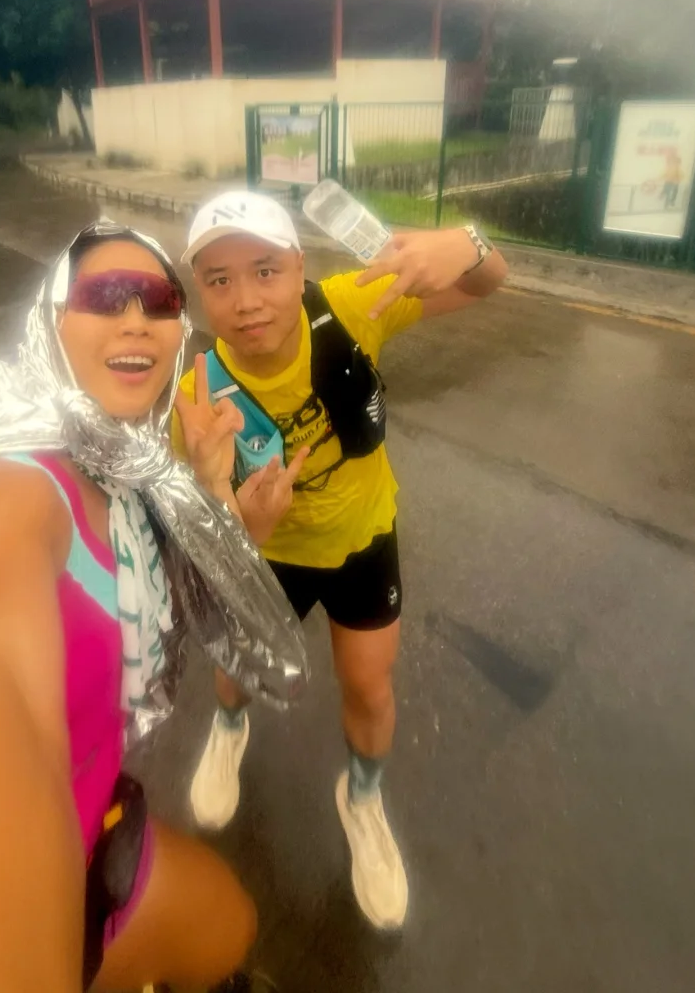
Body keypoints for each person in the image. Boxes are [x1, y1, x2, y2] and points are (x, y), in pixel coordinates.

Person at [0, 224, 282, 993]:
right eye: (105, 297)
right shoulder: (9, 497)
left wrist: (218, 496)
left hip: (89, 813)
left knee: (230, 925)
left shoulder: (125, 471)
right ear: (53, 326)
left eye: (159, 300)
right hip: (35, 876)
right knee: (224, 933)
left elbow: (171, 599)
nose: (136, 318)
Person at [173, 191, 508, 931]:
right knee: (239, 662)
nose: (246, 300)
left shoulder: (353, 306)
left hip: (362, 540)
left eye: (265, 271)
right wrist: (242, 522)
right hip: (268, 555)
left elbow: (486, 284)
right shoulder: (196, 395)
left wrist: (468, 245)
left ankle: (361, 798)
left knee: (369, 688)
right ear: (200, 290)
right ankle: (228, 731)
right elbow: (199, 528)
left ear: (300, 268)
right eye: (220, 280)